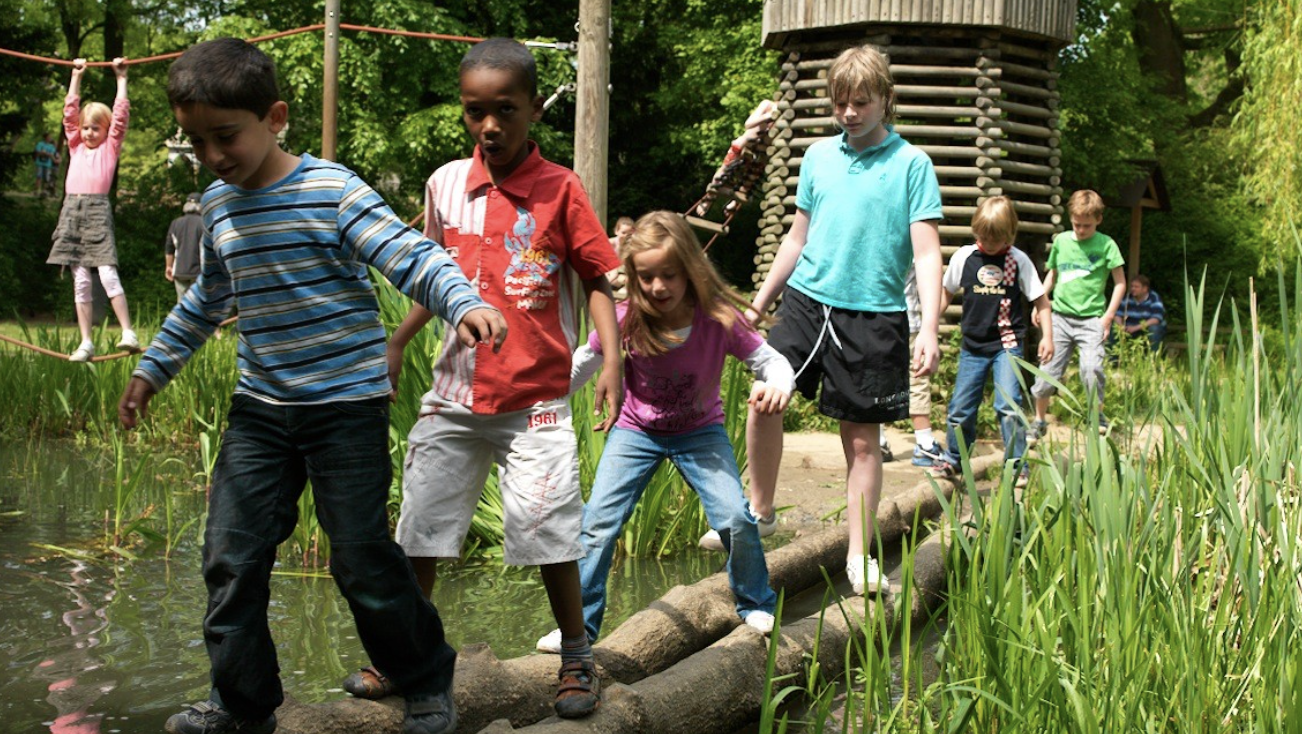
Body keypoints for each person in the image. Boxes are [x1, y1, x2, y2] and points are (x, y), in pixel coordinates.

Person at [116, 38, 507, 734]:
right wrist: (153, 368)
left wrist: (462, 301)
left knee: (359, 557)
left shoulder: (332, 191)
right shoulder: (219, 206)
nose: (213, 155)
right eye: (197, 141)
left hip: (345, 410)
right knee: (229, 559)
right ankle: (243, 705)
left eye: (226, 136)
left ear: (276, 117)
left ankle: (423, 676)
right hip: (261, 412)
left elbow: (409, 253)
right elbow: (206, 300)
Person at [372, 38, 621, 720]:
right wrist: (398, 341)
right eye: (475, 111)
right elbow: (433, 275)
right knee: (420, 527)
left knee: (550, 532)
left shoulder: (561, 189)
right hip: (451, 394)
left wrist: (613, 363)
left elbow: (598, 278)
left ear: (534, 109)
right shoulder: (445, 185)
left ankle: (575, 654)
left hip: (534, 400)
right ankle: (408, 656)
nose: (489, 125)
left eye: (505, 110)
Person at [712, 44, 943, 595]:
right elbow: (797, 237)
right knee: (766, 396)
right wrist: (761, 300)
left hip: (875, 316)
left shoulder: (912, 165)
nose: (849, 113)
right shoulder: (817, 157)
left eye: (861, 102)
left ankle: (860, 556)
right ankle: (761, 511)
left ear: (886, 100)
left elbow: (929, 253)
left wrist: (930, 326)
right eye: (840, 103)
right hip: (806, 302)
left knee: (862, 443)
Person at [536, 211, 787, 653]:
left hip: (700, 433)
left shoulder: (718, 319)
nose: (658, 287)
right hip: (636, 432)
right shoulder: (626, 318)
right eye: (646, 277)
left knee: (734, 516)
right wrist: (543, 401)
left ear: (689, 269)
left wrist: (777, 384)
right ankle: (580, 628)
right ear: (633, 277)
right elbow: (581, 365)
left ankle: (754, 601)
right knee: (597, 523)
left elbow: (770, 361)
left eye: (669, 275)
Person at [930, 197, 1053, 487]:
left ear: (1009, 233)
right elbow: (946, 292)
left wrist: (1047, 336)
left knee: (1008, 405)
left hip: (1006, 343)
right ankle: (955, 458)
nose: (989, 242)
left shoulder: (1017, 260)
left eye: (996, 238)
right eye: (983, 236)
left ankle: (1017, 464)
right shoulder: (964, 257)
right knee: (961, 408)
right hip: (973, 345)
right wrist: (930, 325)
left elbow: (1041, 301)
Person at [46, 57, 138, 362]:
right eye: (85, 128)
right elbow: (69, 114)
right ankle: (86, 342)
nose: (87, 132)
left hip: (96, 210)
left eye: (95, 128)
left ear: (106, 130)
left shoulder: (110, 149)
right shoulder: (75, 146)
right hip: (72, 211)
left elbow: (121, 116)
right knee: (81, 280)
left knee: (108, 273)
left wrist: (121, 78)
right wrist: (76, 76)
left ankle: (127, 331)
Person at [1029, 190, 1126, 441]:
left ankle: (1097, 416)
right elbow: (1051, 275)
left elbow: (1120, 283)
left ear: (1098, 220)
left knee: (1092, 368)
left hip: (1092, 319)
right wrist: (1039, 304)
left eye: (1087, 226)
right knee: (1047, 372)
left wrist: (1108, 317)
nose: (1081, 230)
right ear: (1069, 219)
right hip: (1059, 317)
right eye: (1076, 224)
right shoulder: (1061, 241)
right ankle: (1039, 420)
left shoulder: (1106, 245)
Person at [878, 267, 946, 468]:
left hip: (892, 322)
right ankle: (922, 443)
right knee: (915, 378)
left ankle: (880, 441)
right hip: (903, 322)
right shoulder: (918, 243)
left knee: (891, 377)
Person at [164, 192, 204, 301]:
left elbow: (169, 248)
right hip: (199, 271)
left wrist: (169, 266)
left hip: (180, 271)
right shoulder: (204, 223)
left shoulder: (175, 223)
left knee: (182, 304)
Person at [1113, 273, 1166, 352]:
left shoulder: (1154, 298)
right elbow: (1117, 314)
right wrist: (1120, 327)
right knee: (1113, 329)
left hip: (1146, 329)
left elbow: (1156, 319)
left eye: (1136, 287)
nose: (1133, 289)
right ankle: (1114, 360)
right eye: (1132, 286)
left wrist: (1135, 328)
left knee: (1154, 329)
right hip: (1129, 329)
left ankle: (1152, 359)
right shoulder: (1127, 298)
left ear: (1145, 288)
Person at [34, 133, 58, 197]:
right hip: (39, 163)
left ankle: (43, 191)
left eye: (50, 137)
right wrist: (45, 153)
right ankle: (36, 190)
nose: (50, 138)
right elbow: (38, 151)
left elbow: (51, 154)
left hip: (47, 164)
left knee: (46, 178)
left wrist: (45, 153)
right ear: (45, 138)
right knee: (39, 176)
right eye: (49, 137)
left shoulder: (51, 146)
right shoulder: (40, 144)